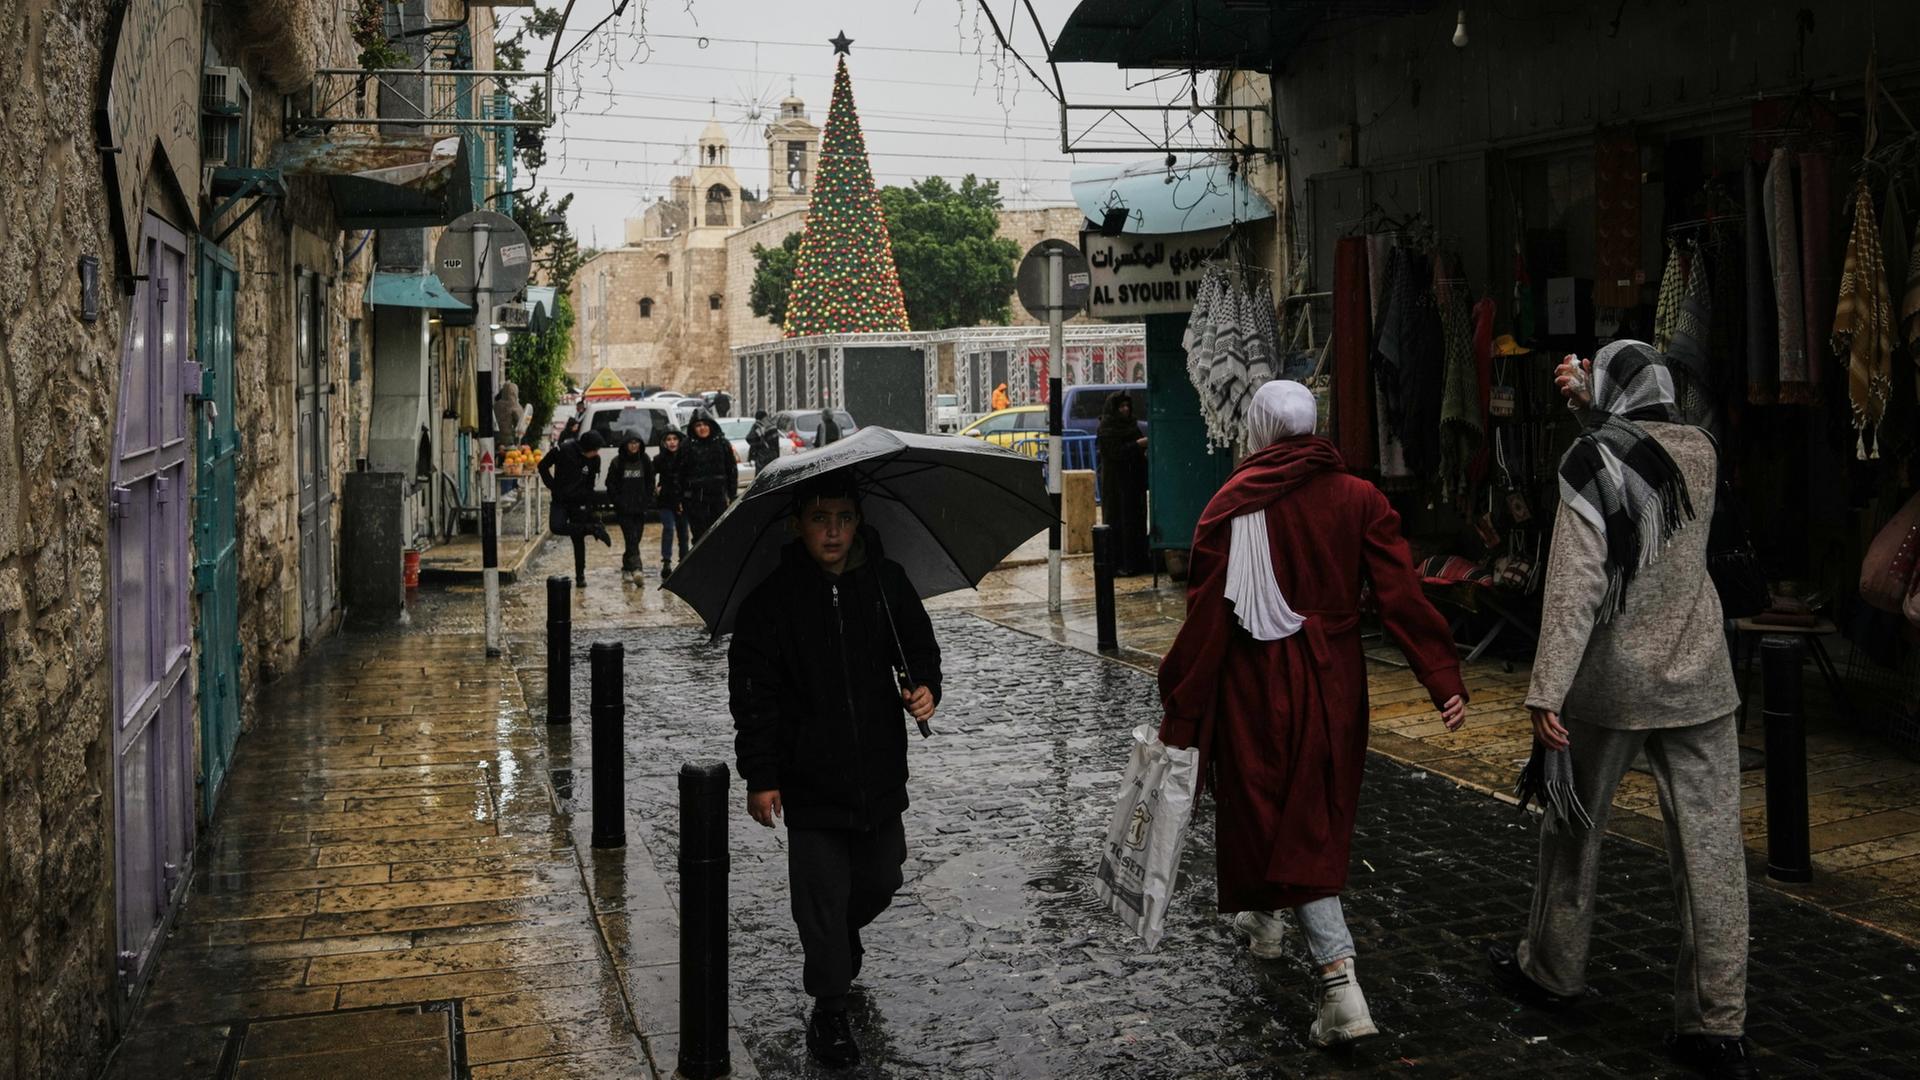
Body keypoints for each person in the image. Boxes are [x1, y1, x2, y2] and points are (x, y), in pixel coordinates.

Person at [1157, 380, 1467, 1049]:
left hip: (1253, 685)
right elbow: (1399, 595)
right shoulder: (1359, 497)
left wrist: (1181, 710)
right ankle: (1267, 920)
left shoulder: (1231, 504)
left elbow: (1207, 620)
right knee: (1307, 808)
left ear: (1261, 428)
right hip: (1333, 683)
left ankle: (1338, 982)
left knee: (1270, 806)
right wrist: (1442, 677)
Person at [1487, 341, 1752, 1080]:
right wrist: (1592, 404)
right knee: (1711, 855)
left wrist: (1545, 691)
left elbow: (1574, 590)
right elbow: (1641, 454)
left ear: (1608, 391)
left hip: (1610, 682)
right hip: (1701, 675)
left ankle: (1553, 970)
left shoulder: (1586, 464)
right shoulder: (1701, 449)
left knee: (1574, 831)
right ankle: (1716, 1023)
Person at [729, 476, 941, 1070]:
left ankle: (837, 940)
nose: (833, 531)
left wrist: (925, 689)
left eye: (844, 518)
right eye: (820, 517)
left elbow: (921, 651)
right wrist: (761, 774)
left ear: (858, 522)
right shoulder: (770, 603)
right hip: (809, 777)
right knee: (821, 897)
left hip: (877, 770)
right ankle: (829, 1009)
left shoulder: (885, 581)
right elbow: (753, 696)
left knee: (881, 879)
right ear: (798, 523)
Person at [537, 428, 612, 586]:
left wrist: (590, 508)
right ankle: (591, 529)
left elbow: (590, 485)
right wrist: (553, 486)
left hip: (580, 503)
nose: (596, 453)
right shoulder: (564, 449)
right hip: (560, 500)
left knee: (578, 540)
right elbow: (542, 466)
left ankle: (580, 576)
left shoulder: (594, 460)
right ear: (586, 448)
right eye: (594, 450)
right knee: (556, 526)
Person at [1095, 391, 1151, 576]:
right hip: (1116, 485)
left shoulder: (1131, 425)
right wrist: (1137, 445)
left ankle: (1136, 561)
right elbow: (1115, 453)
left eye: (1127, 406)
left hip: (1132, 483)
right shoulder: (1107, 428)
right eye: (1121, 407)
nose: (1125, 410)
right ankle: (1120, 564)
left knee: (1134, 522)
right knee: (1119, 522)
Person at [605, 431, 655, 580]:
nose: (634, 446)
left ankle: (626, 566)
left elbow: (650, 481)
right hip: (623, 509)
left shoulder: (645, 460)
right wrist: (618, 502)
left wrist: (647, 500)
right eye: (631, 443)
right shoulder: (617, 462)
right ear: (625, 445)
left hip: (640, 507)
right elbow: (610, 484)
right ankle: (637, 569)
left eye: (636, 442)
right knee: (631, 537)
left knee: (636, 537)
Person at [683, 411, 738, 540]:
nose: (702, 428)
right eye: (698, 425)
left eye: (705, 424)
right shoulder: (687, 446)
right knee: (699, 536)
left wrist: (732, 494)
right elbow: (681, 473)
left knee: (718, 534)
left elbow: (731, 470)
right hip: (696, 500)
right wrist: (683, 497)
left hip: (718, 498)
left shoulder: (722, 444)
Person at [653, 427, 691, 578]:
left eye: (674, 439)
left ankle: (684, 562)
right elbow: (650, 475)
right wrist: (655, 489)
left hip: (683, 500)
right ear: (664, 442)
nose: (672, 442)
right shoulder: (659, 459)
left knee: (683, 533)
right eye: (668, 439)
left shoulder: (686, 458)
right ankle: (666, 561)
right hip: (666, 501)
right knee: (668, 529)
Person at [493, 380, 527, 446]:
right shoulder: (515, 406)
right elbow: (521, 424)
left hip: (496, 440)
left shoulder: (496, 405)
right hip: (511, 441)